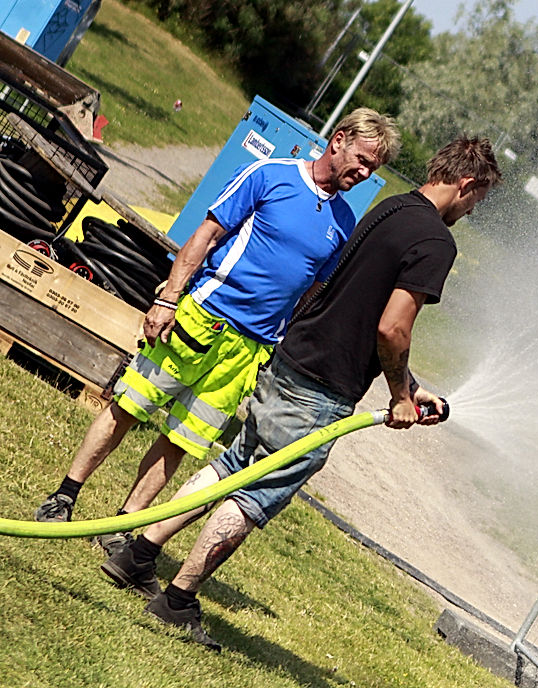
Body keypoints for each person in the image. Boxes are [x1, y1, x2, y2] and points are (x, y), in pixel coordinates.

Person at [100, 136, 501, 650]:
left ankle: (138, 555)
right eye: (477, 201)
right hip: (323, 388)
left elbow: (353, 303)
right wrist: (400, 397)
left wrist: (411, 385)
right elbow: (391, 329)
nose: (470, 212)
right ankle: (177, 599)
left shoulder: (389, 208)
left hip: (292, 356)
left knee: (234, 464)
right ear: (467, 184)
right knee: (255, 492)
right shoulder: (437, 243)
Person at [33, 109, 398, 559]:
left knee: (181, 440)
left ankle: (122, 526)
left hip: (246, 353)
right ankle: (64, 496)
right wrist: (168, 298)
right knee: (129, 406)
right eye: (361, 160)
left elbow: (312, 292)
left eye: (373, 170)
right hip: (202, 319)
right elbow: (206, 235)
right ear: (338, 140)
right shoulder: (271, 175)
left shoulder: (343, 223)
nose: (363, 173)